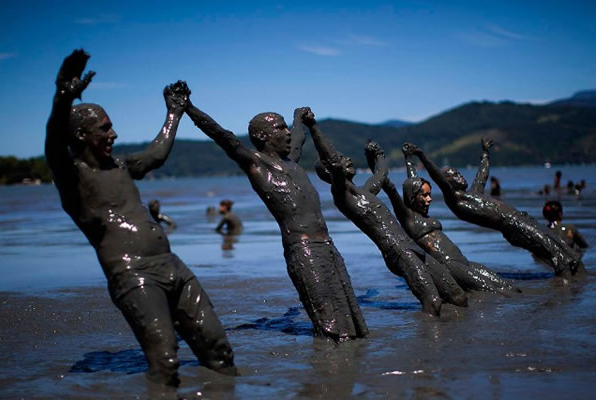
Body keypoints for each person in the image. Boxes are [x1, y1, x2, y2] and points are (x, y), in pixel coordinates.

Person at [45, 50, 236, 386]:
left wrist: (173, 113)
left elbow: (156, 155)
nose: (114, 135)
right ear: (80, 136)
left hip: (174, 267)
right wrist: (62, 98)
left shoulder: (121, 166)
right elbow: (53, 145)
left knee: (219, 352)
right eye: (105, 129)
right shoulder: (72, 176)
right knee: (166, 362)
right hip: (134, 276)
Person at [185, 99, 368, 342]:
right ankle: (327, 371)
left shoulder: (291, 161)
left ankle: (350, 366)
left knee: (351, 318)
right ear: (263, 136)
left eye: (287, 127)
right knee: (328, 324)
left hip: (328, 247)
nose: (288, 133)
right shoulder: (256, 165)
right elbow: (221, 135)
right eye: (281, 128)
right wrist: (188, 108)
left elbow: (300, 136)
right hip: (303, 251)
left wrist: (299, 116)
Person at [302, 110, 467, 316]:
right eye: (342, 159)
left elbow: (381, 173)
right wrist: (313, 126)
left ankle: (455, 338)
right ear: (330, 170)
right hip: (398, 252)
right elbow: (332, 161)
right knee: (432, 302)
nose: (348, 160)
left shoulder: (366, 191)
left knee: (458, 296)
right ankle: (427, 344)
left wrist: (377, 154)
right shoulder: (342, 195)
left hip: (412, 247)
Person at [404, 138, 582, 277]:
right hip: (512, 225)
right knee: (555, 253)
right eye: (455, 175)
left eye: (458, 173)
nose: (460, 177)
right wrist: (421, 156)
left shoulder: (473, 194)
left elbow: (482, 176)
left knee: (559, 247)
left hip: (521, 219)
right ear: (449, 183)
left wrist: (485, 154)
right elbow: (437, 177)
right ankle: (566, 290)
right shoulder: (455, 200)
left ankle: (575, 279)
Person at [379, 145, 517, 293]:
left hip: (463, 261)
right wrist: (379, 162)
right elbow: (394, 191)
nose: (429, 199)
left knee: (504, 285)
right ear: (412, 197)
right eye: (424, 195)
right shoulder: (408, 218)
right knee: (491, 290)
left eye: (429, 194)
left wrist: (408, 158)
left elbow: (414, 179)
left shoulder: (424, 215)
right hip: (449, 265)